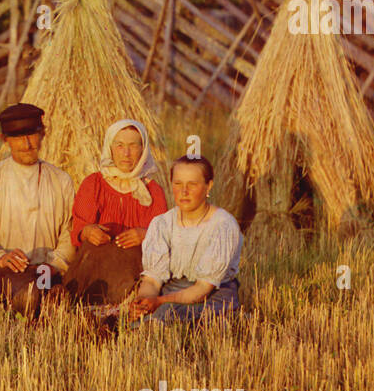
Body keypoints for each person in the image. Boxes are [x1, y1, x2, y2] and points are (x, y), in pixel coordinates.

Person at [0, 102, 75, 318]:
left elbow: (69, 234)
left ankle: (45, 299)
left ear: (43, 134)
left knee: (50, 287)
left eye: (32, 135)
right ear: (4, 140)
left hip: (46, 270)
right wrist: (1, 257)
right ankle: (34, 302)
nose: (26, 144)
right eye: (17, 137)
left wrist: (54, 264)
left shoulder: (61, 180)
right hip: (5, 272)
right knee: (22, 288)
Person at [64, 119, 167, 318]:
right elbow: (78, 227)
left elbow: (164, 236)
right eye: (119, 145)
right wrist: (88, 231)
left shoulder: (153, 191)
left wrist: (146, 235)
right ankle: (87, 310)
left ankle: (123, 309)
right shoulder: (93, 184)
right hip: (96, 267)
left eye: (133, 146)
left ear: (143, 149)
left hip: (134, 270)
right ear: (110, 148)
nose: (126, 154)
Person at [124, 155, 242, 326]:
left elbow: (203, 288)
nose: (184, 191)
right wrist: (144, 301)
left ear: (208, 186)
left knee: (182, 319)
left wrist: (160, 302)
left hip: (214, 293)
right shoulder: (162, 223)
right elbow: (152, 280)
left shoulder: (223, 225)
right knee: (140, 321)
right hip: (171, 290)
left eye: (192, 184)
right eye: (178, 184)